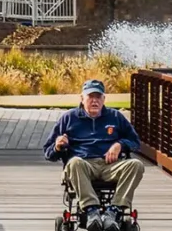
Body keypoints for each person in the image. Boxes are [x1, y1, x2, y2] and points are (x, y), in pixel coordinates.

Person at [44, 80, 144, 217]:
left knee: (136, 164)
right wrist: (57, 146)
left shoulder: (115, 117)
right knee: (74, 162)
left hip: (110, 165)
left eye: (98, 97)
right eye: (90, 97)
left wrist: (120, 145)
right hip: (84, 165)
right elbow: (48, 153)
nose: (94, 101)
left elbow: (135, 142)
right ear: (82, 98)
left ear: (104, 99)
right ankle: (91, 209)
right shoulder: (69, 118)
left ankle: (115, 209)